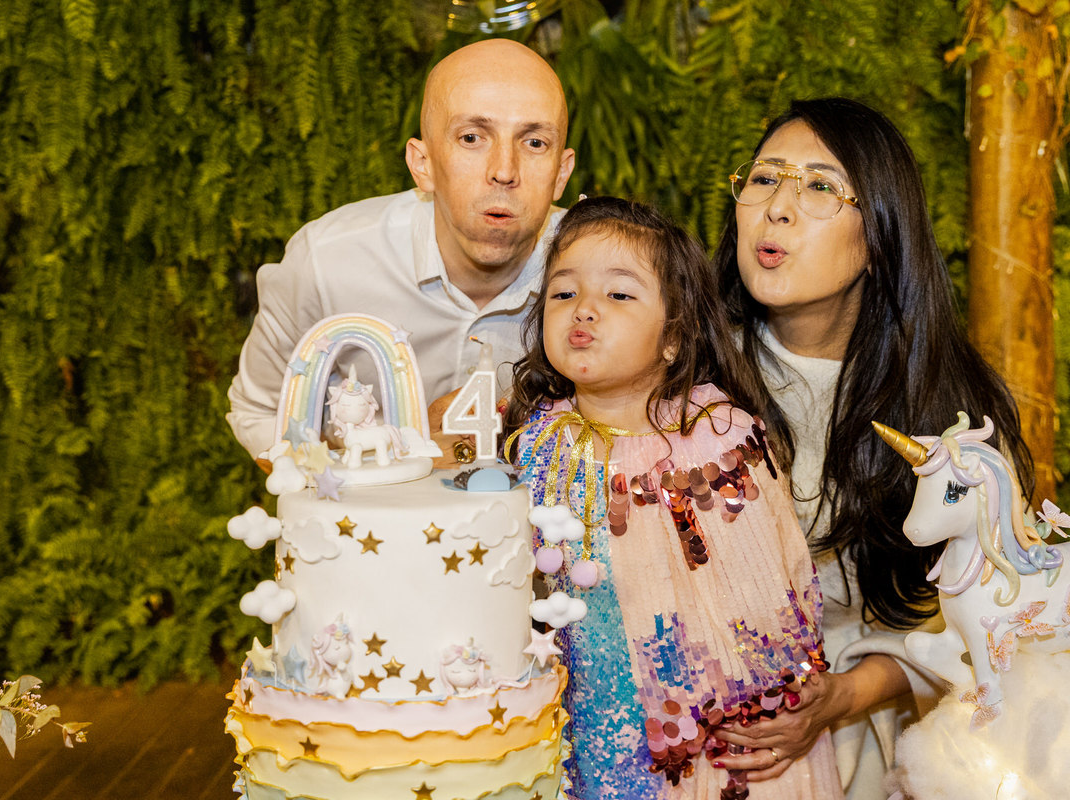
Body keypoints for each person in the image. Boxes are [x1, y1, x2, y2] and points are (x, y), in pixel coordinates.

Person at [710, 98, 1035, 799]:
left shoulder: (950, 410)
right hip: (701, 732)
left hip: (875, 744)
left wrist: (848, 693)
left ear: (880, 232)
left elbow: (998, 612)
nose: (778, 208)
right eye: (764, 178)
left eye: (820, 187)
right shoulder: (683, 377)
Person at [505, 196, 844, 799]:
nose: (584, 308)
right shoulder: (537, 443)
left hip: (716, 742)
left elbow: (770, 589)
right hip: (582, 728)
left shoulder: (718, 440)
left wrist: (778, 695)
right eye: (563, 293)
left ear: (674, 337)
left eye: (619, 294)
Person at [227, 39, 576, 460]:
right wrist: (391, 463)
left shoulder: (609, 274)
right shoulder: (326, 262)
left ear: (561, 174)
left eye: (534, 143)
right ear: (422, 164)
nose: (504, 170)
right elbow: (261, 413)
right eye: (471, 137)